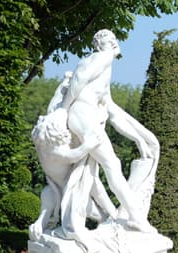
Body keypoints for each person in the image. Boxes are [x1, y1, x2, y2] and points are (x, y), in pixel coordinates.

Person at [58, 29, 155, 233]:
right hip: (83, 115)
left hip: (84, 116)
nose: (113, 43)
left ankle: (109, 216)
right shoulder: (102, 58)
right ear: (99, 44)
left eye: (114, 40)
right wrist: (63, 110)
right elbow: (79, 78)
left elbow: (114, 114)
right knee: (111, 164)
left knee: (95, 172)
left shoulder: (102, 69)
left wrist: (138, 139)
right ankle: (135, 217)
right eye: (108, 40)